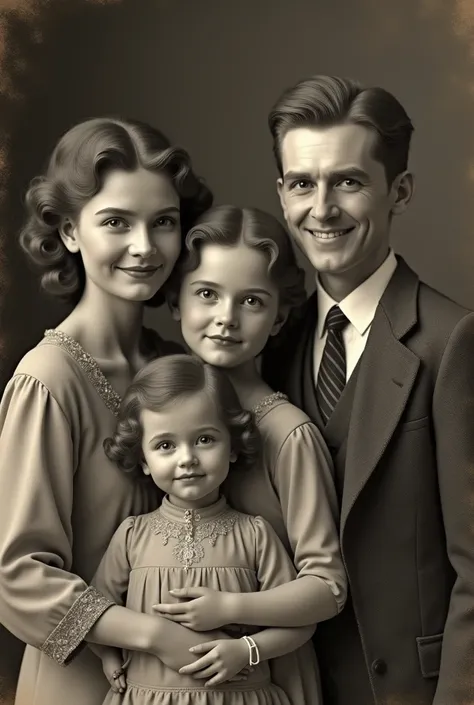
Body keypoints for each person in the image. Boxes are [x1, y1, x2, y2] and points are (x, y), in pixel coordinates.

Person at [261, 74, 474, 705]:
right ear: (281, 195)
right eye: (303, 183)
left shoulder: (452, 341)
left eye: (348, 182)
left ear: (399, 191)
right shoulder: (268, 342)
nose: (321, 209)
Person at [0, 116, 219, 705]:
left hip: (185, 683)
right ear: (70, 232)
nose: (145, 247)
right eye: (116, 222)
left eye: (164, 222)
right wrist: (152, 634)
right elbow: (18, 577)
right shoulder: (47, 380)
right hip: (80, 684)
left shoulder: (173, 365)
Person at [153, 205, 347, 703]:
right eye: (207, 294)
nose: (226, 319)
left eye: (252, 301)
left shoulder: (288, 436)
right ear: (176, 301)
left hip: (270, 674)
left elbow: (327, 587)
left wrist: (231, 609)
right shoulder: (156, 414)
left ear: (279, 315)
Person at [91, 353, 320, 705]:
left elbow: (300, 621)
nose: (187, 459)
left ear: (232, 445)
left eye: (204, 439)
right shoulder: (132, 535)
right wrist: (109, 656)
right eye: (166, 445)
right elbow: (97, 611)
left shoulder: (255, 535)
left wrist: (248, 650)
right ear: (143, 461)